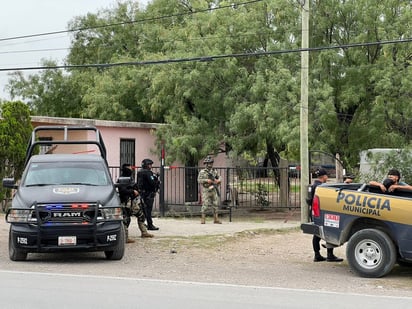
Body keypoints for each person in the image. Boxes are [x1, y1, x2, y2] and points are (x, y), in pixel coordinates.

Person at [309, 168, 343, 262]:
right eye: (326, 176)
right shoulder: (321, 187)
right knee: (329, 230)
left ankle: (317, 255)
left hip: (315, 212)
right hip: (322, 212)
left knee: (317, 234)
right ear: (324, 176)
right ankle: (330, 255)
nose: (327, 177)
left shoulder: (314, 185)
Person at [117, 163, 154, 242]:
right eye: (129, 168)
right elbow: (122, 190)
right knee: (126, 219)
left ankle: (144, 232)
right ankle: (125, 237)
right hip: (126, 202)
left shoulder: (129, 178)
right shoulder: (122, 179)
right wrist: (132, 191)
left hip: (133, 202)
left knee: (141, 215)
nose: (131, 169)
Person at [137, 158, 160, 231]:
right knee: (148, 210)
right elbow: (152, 183)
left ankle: (144, 224)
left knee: (143, 210)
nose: (151, 166)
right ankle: (150, 225)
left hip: (142, 193)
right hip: (148, 193)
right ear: (146, 165)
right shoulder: (148, 173)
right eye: (149, 164)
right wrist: (157, 181)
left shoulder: (140, 172)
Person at [197, 155, 222, 224]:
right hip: (206, 189)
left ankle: (216, 219)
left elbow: (219, 177)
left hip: (213, 189)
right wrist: (206, 180)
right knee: (205, 204)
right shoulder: (202, 172)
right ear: (206, 164)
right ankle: (203, 219)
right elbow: (199, 180)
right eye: (208, 163)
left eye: (211, 163)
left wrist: (218, 180)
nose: (210, 164)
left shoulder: (214, 171)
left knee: (215, 204)